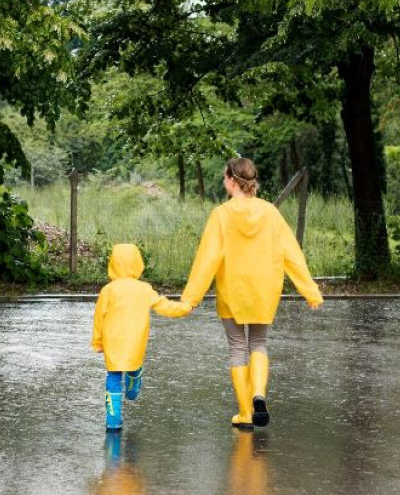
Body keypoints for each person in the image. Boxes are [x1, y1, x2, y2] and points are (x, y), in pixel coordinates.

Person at [181, 157, 323, 429]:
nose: (224, 181)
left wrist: (191, 298)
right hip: (264, 288)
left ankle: (245, 413)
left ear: (232, 180)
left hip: (233, 289)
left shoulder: (221, 214)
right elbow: (291, 253)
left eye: (225, 177)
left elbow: (207, 259)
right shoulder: (270, 212)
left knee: (237, 347)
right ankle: (259, 395)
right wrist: (310, 291)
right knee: (258, 344)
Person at [92, 243, 192, 431]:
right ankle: (133, 385)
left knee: (113, 376)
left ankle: (113, 420)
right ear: (138, 264)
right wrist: (184, 308)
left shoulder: (108, 290)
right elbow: (163, 305)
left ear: (112, 264)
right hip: (135, 340)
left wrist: (98, 341)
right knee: (133, 365)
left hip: (112, 340)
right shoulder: (144, 289)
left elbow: (99, 316)